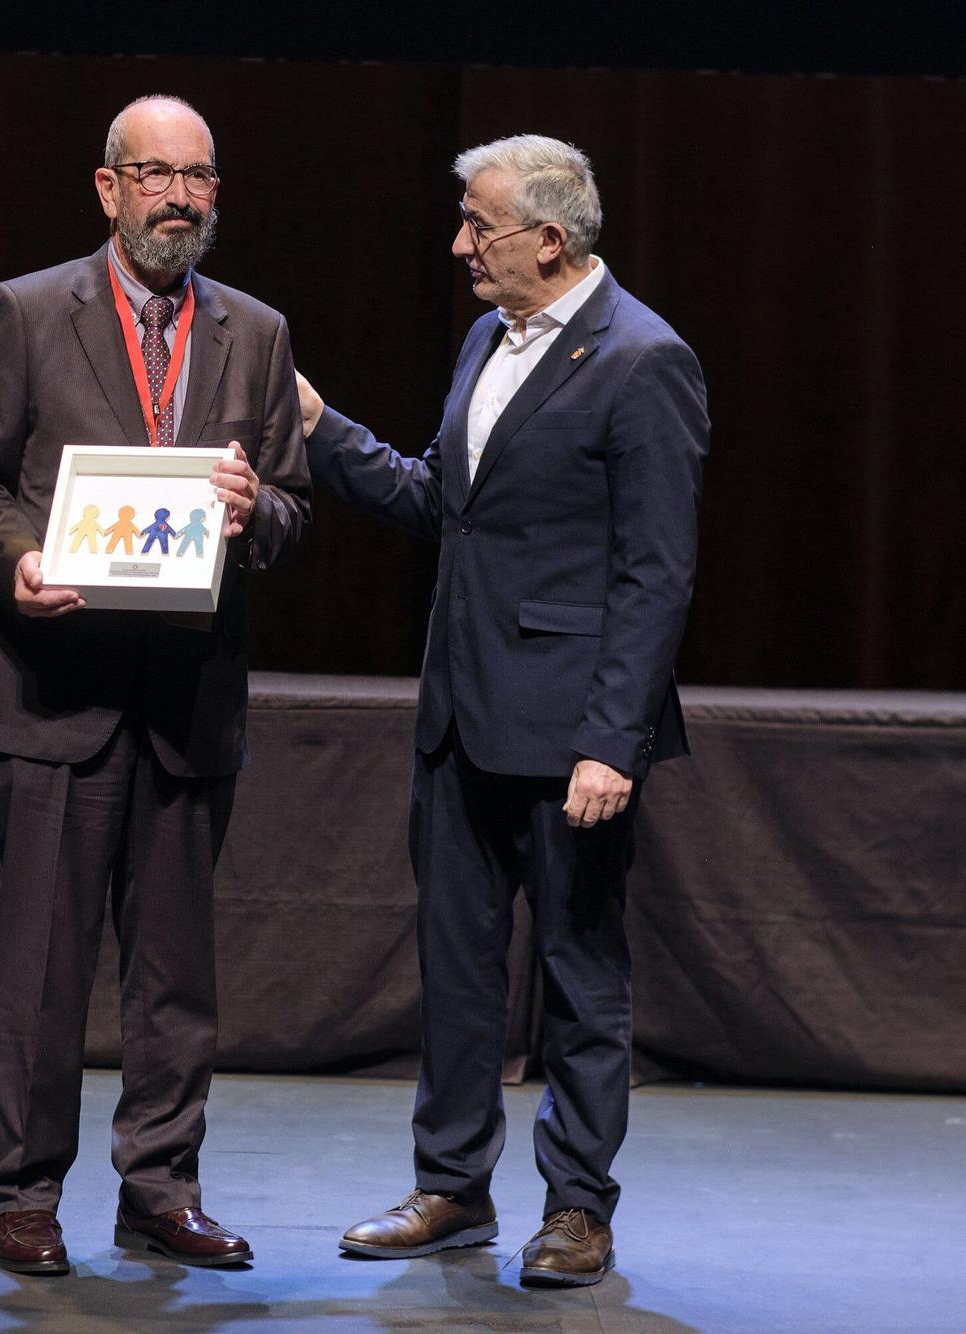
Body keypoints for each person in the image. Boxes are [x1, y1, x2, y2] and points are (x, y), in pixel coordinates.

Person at [296, 135, 706, 1287]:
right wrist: (322, 426)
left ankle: (576, 1205)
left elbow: (654, 571)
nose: (458, 245)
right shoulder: (488, 337)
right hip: (460, 716)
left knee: (579, 972)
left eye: (476, 225)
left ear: (547, 238)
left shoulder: (642, 358)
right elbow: (445, 500)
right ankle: (451, 1186)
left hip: (570, 730)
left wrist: (608, 739)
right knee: (458, 967)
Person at [0, 94, 310, 1275]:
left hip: (186, 703)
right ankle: (22, 1195)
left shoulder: (253, 330)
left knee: (176, 981)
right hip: (54, 696)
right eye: (153, 174)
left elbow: (293, 510)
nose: (177, 197)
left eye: (197, 176)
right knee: (42, 976)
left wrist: (260, 516)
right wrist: (22, 562)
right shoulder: (29, 310)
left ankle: (159, 1185)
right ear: (108, 189)